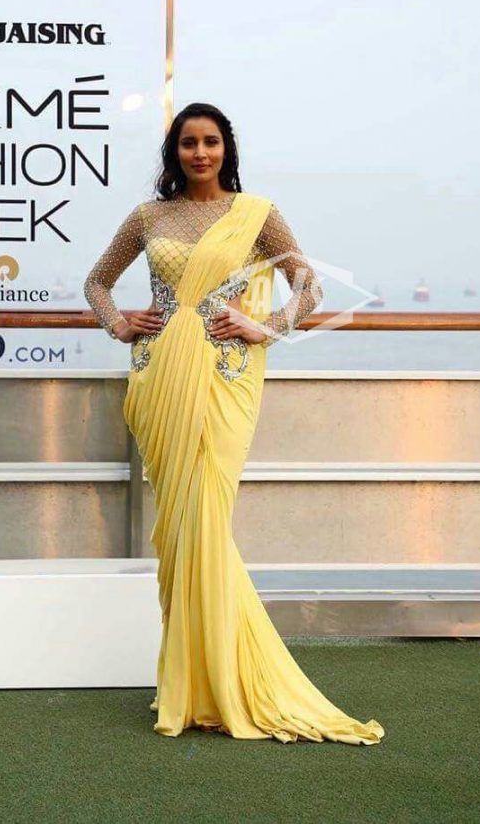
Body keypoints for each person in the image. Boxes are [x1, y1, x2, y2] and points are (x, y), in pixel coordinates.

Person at [83, 102, 384, 745]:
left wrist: (263, 326)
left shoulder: (257, 214)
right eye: (188, 143)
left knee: (206, 521)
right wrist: (118, 325)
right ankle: (193, 685)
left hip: (225, 378)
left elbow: (310, 290)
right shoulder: (149, 217)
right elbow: (97, 282)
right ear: (174, 152)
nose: (200, 153)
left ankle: (223, 680)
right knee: (179, 529)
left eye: (211, 142)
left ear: (227, 149)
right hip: (159, 377)